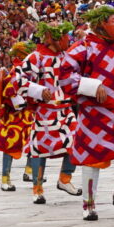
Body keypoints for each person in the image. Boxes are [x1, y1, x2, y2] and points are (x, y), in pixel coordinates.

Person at [60, 5, 114, 221]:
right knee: (92, 159)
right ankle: (88, 205)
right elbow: (64, 76)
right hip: (94, 112)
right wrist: (90, 85)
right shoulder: (83, 47)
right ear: (101, 23)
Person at [14, 21, 81, 204]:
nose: (69, 39)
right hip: (45, 110)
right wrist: (38, 91)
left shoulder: (67, 56)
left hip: (66, 109)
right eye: (65, 36)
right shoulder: (36, 57)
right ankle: (37, 188)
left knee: (76, 142)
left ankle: (65, 179)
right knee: (39, 150)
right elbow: (17, 80)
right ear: (54, 38)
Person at [0, 42, 36, 191]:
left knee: (33, 142)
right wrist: (21, 104)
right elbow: (9, 88)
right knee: (10, 145)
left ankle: (30, 172)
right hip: (16, 116)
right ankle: (5, 179)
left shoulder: (27, 68)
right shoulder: (16, 69)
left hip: (28, 115)